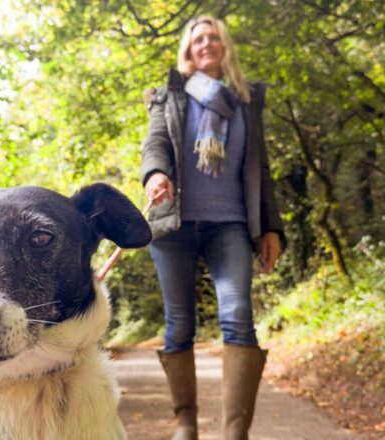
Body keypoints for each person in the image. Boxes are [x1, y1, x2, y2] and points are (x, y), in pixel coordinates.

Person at [140, 15, 285, 440]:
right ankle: (185, 424)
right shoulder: (170, 95)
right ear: (188, 49)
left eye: (213, 37)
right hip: (175, 224)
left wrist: (271, 227)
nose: (206, 43)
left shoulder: (245, 101)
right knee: (179, 324)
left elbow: (261, 168)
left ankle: (234, 432)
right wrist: (154, 175)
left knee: (238, 315)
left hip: (231, 226)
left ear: (224, 47)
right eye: (198, 38)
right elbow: (155, 144)